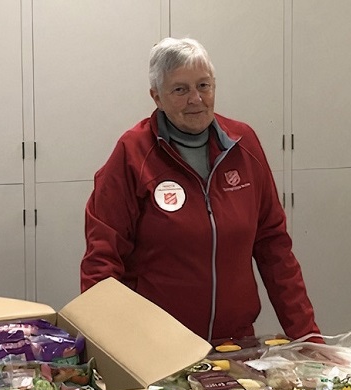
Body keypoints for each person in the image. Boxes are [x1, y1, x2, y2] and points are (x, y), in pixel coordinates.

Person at [80, 37, 320, 346]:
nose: (196, 99)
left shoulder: (243, 144)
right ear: (156, 96)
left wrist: (308, 337)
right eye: (180, 89)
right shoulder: (132, 154)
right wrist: (110, 349)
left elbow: (275, 250)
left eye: (204, 86)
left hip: (233, 348)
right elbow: (102, 262)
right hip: (156, 346)